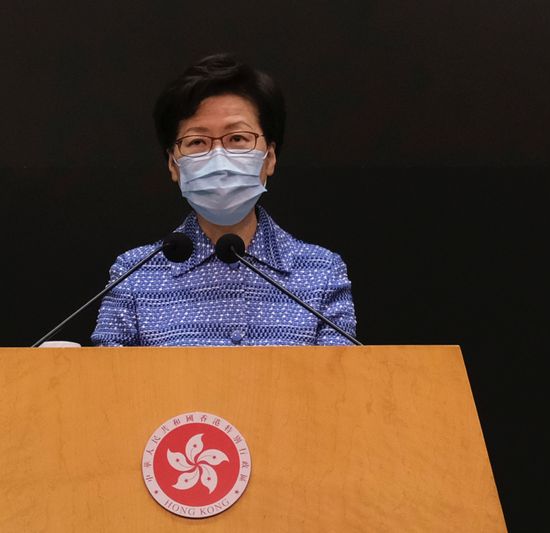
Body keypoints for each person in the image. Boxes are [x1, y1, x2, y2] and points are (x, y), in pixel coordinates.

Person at [91, 53, 356, 346]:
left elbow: (339, 385)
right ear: (172, 165)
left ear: (270, 157)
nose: (219, 157)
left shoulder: (320, 271)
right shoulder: (135, 275)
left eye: (237, 138)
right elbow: (109, 385)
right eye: (197, 142)